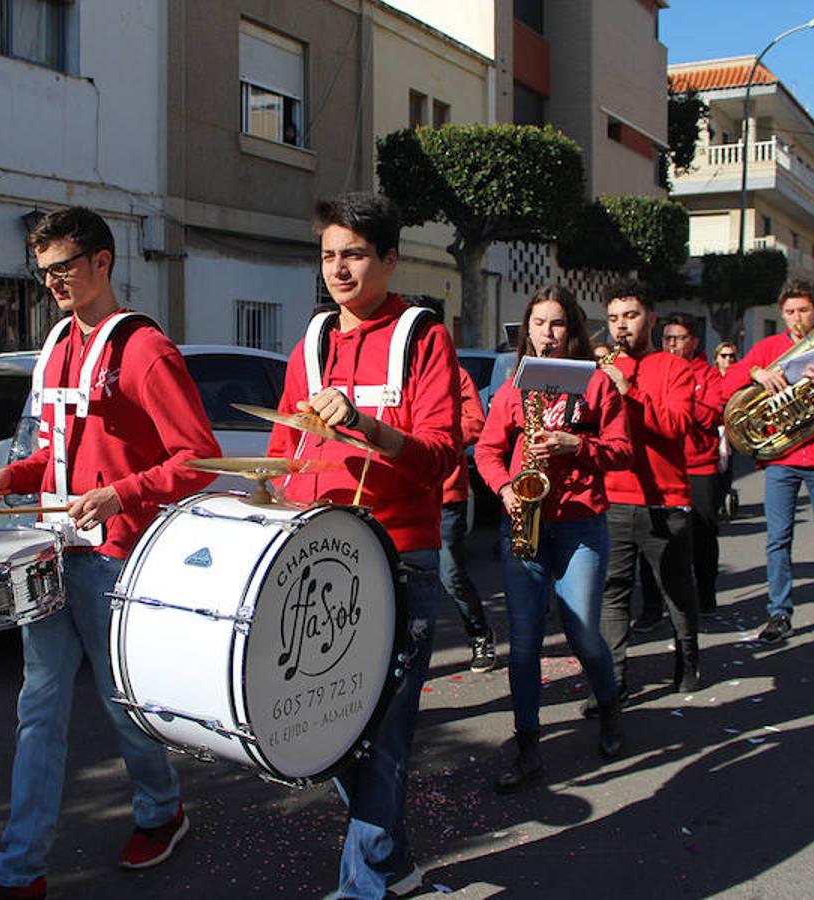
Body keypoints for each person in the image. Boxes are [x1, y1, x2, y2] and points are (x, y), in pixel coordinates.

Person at [0, 208, 220, 900]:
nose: (55, 282)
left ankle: (161, 810)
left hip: (118, 557)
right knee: (39, 707)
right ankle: (17, 870)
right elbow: (51, 455)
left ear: (102, 262)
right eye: (45, 273)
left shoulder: (146, 351)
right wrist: (8, 478)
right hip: (51, 550)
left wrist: (122, 494)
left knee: (124, 704)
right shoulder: (57, 344)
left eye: (65, 267)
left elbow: (201, 459)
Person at [267, 192, 459, 899]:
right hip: (320, 557)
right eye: (328, 255)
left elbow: (441, 458)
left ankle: (364, 888)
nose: (338, 268)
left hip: (397, 556)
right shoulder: (312, 342)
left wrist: (370, 428)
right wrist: (266, 508)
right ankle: (395, 866)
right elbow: (285, 449)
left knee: (378, 728)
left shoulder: (423, 336)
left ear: (389, 258)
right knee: (335, 729)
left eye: (353, 254)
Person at [476, 284, 633, 791]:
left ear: (574, 330)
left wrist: (576, 445)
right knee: (523, 643)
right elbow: (486, 452)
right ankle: (527, 748)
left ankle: (609, 706)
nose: (548, 334)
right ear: (528, 330)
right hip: (524, 519)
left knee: (583, 631)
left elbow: (623, 451)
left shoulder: (598, 386)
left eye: (558, 324)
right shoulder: (514, 387)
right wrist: (504, 491)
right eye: (539, 324)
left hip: (580, 524)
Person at [720, 279, 814, 643]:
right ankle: (779, 612)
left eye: (803, 310)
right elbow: (726, 387)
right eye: (789, 311)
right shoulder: (768, 347)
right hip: (782, 457)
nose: (796, 317)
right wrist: (756, 373)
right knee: (778, 538)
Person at [593, 279, 701, 707]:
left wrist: (628, 392)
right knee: (613, 591)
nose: (622, 326)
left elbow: (676, 427)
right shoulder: (603, 367)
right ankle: (614, 680)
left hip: (664, 498)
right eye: (615, 318)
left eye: (631, 316)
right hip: (613, 496)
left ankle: (688, 660)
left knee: (676, 589)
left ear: (651, 319)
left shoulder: (674, 368)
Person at [663, 314, 725, 613]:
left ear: (695, 342)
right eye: (667, 338)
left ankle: (706, 592)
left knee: (703, 533)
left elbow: (712, 414)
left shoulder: (709, 375)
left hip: (700, 465)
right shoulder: (658, 369)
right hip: (665, 465)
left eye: (678, 338)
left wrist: (681, 399)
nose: (671, 344)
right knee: (663, 536)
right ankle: (660, 602)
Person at [441, 360, 496, 672]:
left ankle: (479, 632)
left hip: (445, 493)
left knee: (451, 575)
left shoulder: (455, 374)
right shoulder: (390, 370)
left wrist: (432, 437)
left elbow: (476, 423)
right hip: (402, 495)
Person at [711, 341, 739, 521]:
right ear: (716, 359)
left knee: (727, 463)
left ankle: (724, 495)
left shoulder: (738, 377)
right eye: (724, 356)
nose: (728, 359)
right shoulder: (712, 376)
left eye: (731, 356)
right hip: (715, 425)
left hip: (730, 428)